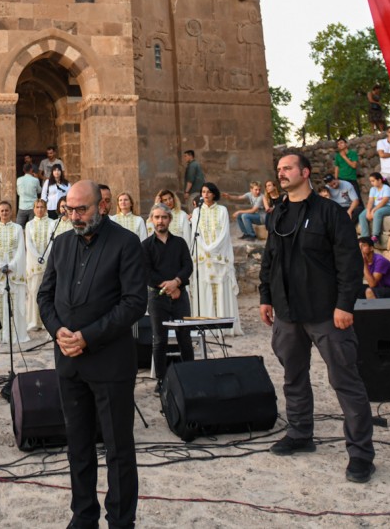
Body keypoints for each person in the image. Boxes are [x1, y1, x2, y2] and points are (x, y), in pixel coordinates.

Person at [259, 152, 374, 484]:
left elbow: (349, 262)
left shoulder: (330, 213)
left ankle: (361, 455)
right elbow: (271, 258)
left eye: (287, 168)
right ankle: (299, 433)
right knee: (293, 377)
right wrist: (265, 297)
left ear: (305, 172)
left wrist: (344, 305)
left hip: (326, 314)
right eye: (278, 168)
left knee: (346, 382)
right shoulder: (277, 213)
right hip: (287, 314)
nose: (281, 173)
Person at [38, 180, 146, 528]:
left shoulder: (126, 243)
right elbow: (45, 296)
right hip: (69, 363)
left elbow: (134, 303)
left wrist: (87, 337)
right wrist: (59, 332)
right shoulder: (61, 244)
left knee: (118, 449)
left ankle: (120, 520)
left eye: (81, 209)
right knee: (78, 446)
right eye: (69, 209)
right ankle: (83, 515)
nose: (74, 216)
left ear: (102, 206)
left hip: (111, 363)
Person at [143, 203, 193, 394]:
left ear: (170, 219)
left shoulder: (179, 243)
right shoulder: (145, 246)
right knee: (159, 340)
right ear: (151, 220)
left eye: (164, 217)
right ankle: (162, 380)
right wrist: (169, 287)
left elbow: (188, 266)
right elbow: (147, 273)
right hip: (157, 298)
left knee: (184, 338)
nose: (160, 221)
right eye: (156, 217)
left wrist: (177, 283)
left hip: (180, 296)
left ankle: (190, 374)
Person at [190, 183, 241, 334]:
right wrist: (205, 248)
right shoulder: (196, 212)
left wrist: (212, 248)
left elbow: (224, 232)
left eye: (209, 192)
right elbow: (195, 233)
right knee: (205, 288)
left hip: (219, 256)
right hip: (203, 257)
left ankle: (224, 328)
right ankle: (206, 325)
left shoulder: (222, 210)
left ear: (214, 194)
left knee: (221, 287)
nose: (205, 194)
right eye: (203, 192)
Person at [0, 201, 29, 345]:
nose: (4, 213)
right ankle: (1, 335)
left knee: (15, 305)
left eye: (7, 210)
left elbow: (20, 250)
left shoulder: (18, 228)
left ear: (11, 212)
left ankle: (15, 336)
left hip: (14, 272)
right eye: (2, 211)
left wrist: (12, 265)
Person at [22, 198, 56, 331]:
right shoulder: (29, 225)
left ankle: (46, 322)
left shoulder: (52, 223)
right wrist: (38, 258)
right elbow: (29, 244)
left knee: (48, 292)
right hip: (33, 264)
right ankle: (33, 321)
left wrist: (46, 257)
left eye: (42, 207)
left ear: (46, 208)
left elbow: (52, 241)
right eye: (37, 207)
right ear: (34, 209)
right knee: (34, 291)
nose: (40, 209)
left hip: (49, 262)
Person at [358, 173, 390, 244]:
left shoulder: (386, 188)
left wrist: (374, 210)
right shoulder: (373, 189)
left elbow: (384, 201)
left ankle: (375, 235)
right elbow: (370, 201)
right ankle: (365, 237)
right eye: (371, 181)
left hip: (389, 207)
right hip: (376, 207)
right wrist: (369, 211)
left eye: (373, 181)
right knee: (362, 215)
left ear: (379, 180)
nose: (372, 183)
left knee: (377, 213)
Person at [16, 162, 41, 226]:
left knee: (18, 227)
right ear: (31, 170)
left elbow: (18, 192)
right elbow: (39, 191)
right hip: (32, 206)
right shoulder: (35, 180)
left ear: (23, 170)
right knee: (33, 227)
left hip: (22, 206)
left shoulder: (19, 180)